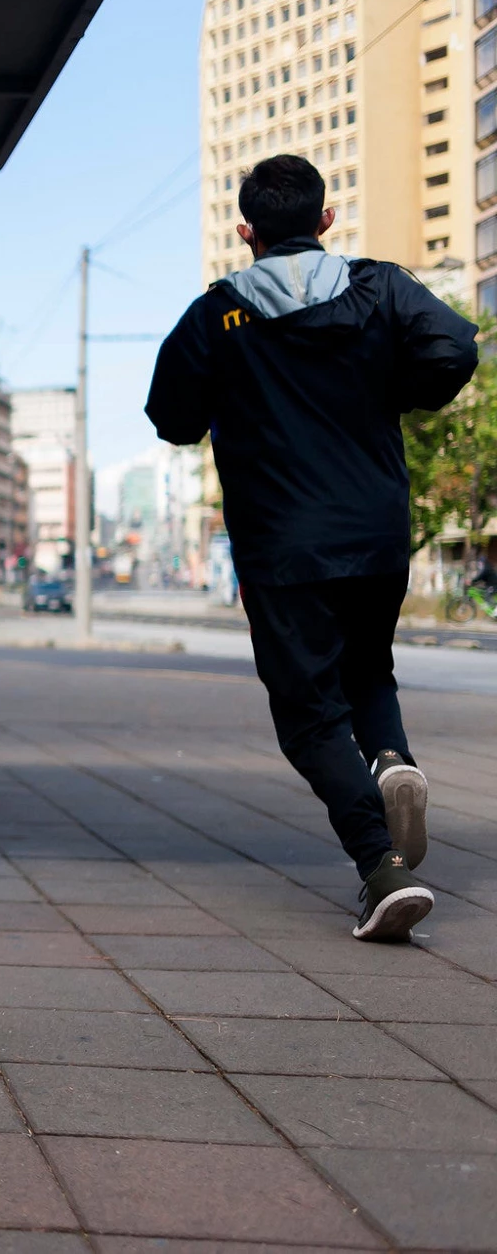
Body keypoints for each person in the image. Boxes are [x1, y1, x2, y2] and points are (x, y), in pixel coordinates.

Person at [146, 153, 476, 943]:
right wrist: (386, 392)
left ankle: (381, 866)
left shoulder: (216, 315)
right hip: (376, 531)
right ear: (327, 221)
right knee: (368, 669)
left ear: (245, 230)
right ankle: (392, 757)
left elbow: (172, 418)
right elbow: (455, 350)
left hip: (283, 546)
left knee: (308, 714)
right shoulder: (380, 287)